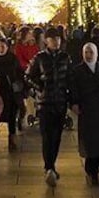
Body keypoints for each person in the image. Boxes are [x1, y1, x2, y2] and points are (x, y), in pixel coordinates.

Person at [26, 27, 72, 187]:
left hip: (60, 102)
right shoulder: (39, 58)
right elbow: (29, 77)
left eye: (58, 39)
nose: (56, 42)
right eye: (53, 39)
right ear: (46, 41)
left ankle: (52, 165)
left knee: (57, 137)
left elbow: (70, 78)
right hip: (45, 103)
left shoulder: (65, 57)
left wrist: (70, 97)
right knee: (47, 137)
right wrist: (40, 87)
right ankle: (49, 167)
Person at [70, 42, 99, 186]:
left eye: (91, 52)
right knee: (89, 140)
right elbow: (74, 88)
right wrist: (74, 103)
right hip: (86, 108)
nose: (88, 55)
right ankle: (92, 169)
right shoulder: (78, 70)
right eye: (86, 52)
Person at [0, 37, 23, 151]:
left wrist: (19, 85)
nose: (0, 49)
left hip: (11, 93)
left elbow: (19, 73)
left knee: (11, 116)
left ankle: (11, 138)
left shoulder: (13, 59)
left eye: (2, 46)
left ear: (7, 47)